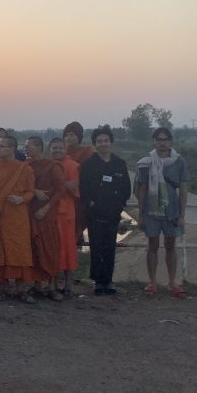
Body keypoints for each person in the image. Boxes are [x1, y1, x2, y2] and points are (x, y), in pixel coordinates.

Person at [135, 127, 189, 298]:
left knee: (171, 246)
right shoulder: (146, 162)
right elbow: (142, 188)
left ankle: (172, 282)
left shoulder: (179, 162)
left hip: (171, 211)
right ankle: (152, 282)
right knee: (152, 246)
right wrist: (140, 214)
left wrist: (182, 214)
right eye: (159, 139)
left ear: (170, 142)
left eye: (165, 139)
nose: (162, 142)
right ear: (154, 142)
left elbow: (183, 189)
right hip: (151, 211)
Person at [79, 125, 131, 296]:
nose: (103, 144)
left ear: (111, 142)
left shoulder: (119, 164)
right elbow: (83, 188)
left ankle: (108, 281)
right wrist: (91, 203)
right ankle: (98, 281)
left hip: (113, 213)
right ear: (94, 144)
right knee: (96, 247)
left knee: (110, 247)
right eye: (99, 141)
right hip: (94, 213)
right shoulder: (88, 165)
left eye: (106, 140)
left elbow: (126, 188)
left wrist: (120, 204)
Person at [0, 135, 36, 303]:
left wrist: (21, 199)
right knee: (0, 251)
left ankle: (22, 289)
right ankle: (2, 288)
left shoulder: (24, 168)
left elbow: (31, 191)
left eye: (2, 146)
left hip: (18, 217)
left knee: (20, 252)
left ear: (12, 148)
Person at [24, 136, 64, 301]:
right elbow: (21, 185)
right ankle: (37, 285)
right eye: (25, 146)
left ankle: (52, 286)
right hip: (30, 211)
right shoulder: (25, 166)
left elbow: (60, 190)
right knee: (35, 247)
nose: (26, 149)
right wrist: (34, 191)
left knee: (50, 248)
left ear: (39, 147)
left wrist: (46, 208)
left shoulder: (52, 166)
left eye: (29, 146)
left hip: (48, 213)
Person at [48, 137, 80, 295]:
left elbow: (73, 187)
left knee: (68, 246)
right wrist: (62, 184)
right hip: (50, 211)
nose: (57, 151)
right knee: (52, 245)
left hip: (67, 212)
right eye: (54, 148)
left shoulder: (73, 165)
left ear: (65, 149)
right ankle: (52, 283)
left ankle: (68, 284)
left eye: (60, 148)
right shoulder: (47, 165)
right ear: (49, 149)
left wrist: (58, 184)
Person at [63, 121, 95, 246]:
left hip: (81, 197)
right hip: (62, 197)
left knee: (76, 229)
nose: (69, 138)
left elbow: (91, 176)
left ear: (79, 137)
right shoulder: (59, 152)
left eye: (72, 135)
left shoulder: (87, 153)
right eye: (67, 135)